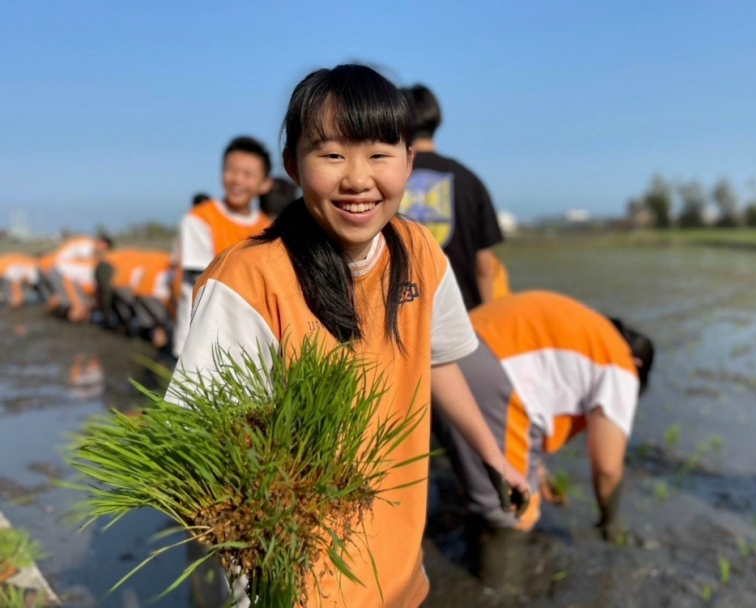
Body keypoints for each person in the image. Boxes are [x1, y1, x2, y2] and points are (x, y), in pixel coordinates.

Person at [168, 64, 530, 608]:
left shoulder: (419, 253)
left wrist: (492, 457)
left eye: (380, 154)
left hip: (399, 573)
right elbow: (200, 442)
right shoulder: (249, 278)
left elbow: (436, 362)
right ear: (292, 165)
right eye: (332, 154)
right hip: (294, 585)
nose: (358, 179)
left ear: (410, 162)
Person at [434, 290, 655, 591]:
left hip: (449, 353)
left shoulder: (590, 331)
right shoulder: (621, 363)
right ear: (639, 366)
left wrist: (538, 472)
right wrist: (611, 523)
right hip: (488, 374)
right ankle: (497, 593)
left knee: (487, 488)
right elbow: (607, 468)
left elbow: (534, 390)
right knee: (517, 509)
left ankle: (462, 548)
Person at [399, 84, 503, 310]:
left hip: (403, 319)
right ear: (436, 119)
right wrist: (486, 319)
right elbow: (485, 266)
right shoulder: (468, 180)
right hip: (464, 316)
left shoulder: (387, 177)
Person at [172, 137, 273, 358]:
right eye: (231, 170)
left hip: (244, 348)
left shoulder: (269, 229)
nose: (237, 179)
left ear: (265, 184)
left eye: (248, 174)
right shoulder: (200, 219)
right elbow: (202, 279)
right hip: (197, 344)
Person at [131, 250, 173, 349]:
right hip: (151, 294)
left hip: (139, 293)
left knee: (154, 323)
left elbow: (136, 275)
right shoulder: (168, 261)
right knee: (163, 322)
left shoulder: (149, 260)